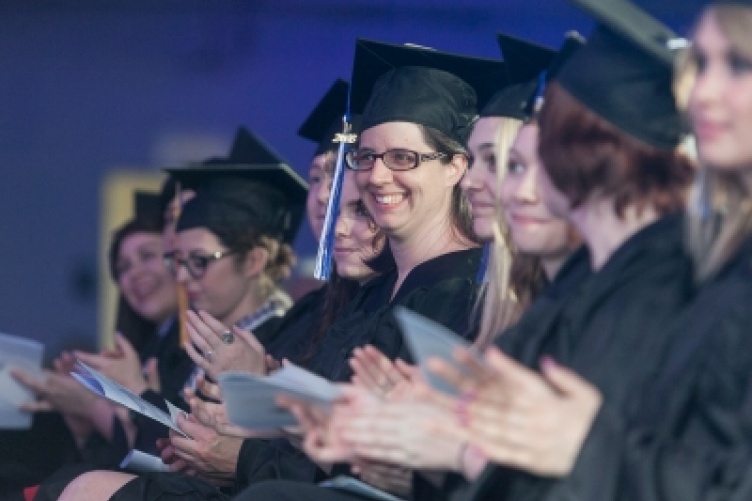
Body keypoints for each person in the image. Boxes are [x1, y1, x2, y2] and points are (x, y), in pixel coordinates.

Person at [418, 1, 697, 500]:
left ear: (573, 145)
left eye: (531, 149)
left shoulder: (653, 290)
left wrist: (464, 451)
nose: (507, 184)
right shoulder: (587, 279)